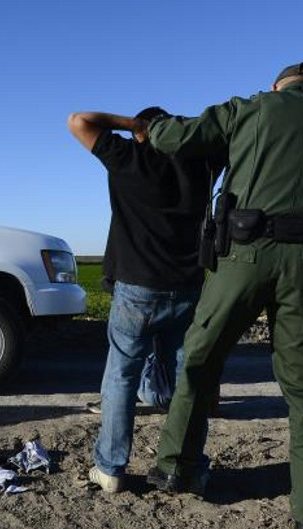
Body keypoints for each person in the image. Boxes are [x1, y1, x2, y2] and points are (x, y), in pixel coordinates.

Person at [143, 62, 303, 529]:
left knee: (201, 358)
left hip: (243, 256)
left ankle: (174, 468)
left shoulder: (248, 109)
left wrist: (152, 126)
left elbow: (173, 139)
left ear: (277, 86)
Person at [67, 107, 219, 493]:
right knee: (188, 380)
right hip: (188, 287)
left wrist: (135, 127)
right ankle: (190, 465)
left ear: (142, 132)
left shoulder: (128, 158)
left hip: (137, 288)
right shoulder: (202, 167)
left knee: (121, 374)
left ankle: (111, 468)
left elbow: (78, 121)